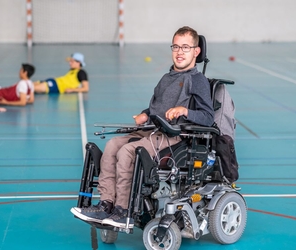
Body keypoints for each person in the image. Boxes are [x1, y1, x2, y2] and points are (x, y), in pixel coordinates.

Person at [70, 26, 215, 228]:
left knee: (128, 151)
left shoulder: (196, 80)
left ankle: (122, 210)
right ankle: (106, 204)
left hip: (174, 137)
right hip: (151, 130)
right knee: (112, 145)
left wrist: (184, 110)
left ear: (196, 51)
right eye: (176, 47)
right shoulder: (167, 77)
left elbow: (208, 117)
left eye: (185, 47)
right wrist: (146, 113)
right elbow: (158, 106)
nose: (180, 52)